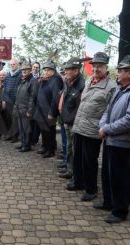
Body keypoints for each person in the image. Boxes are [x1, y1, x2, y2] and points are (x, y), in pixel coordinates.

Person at [69, 52, 116, 201]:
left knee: (90, 161)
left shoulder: (111, 87)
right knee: (77, 158)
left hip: (92, 130)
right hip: (79, 126)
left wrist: (104, 128)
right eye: (94, 66)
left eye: (99, 66)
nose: (96, 69)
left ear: (106, 68)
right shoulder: (90, 80)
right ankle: (78, 181)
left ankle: (91, 189)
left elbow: (110, 111)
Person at [98, 55, 130, 223]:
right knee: (108, 174)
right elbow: (107, 111)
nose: (117, 73)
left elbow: (128, 120)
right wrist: (103, 125)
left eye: (121, 70)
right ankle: (108, 202)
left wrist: (107, 129)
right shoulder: (119, 89)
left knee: (120, 177)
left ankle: (120, 211)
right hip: (110, 140)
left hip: (122, 143)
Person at [57, 58, 85, 179]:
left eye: (68, 69)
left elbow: (80, 107)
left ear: (76, 70)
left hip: (74, 122)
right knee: (69, 146)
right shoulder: (69, 82)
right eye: (66, 69)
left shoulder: (81, 85)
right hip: (66, 120)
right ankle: (69, 167)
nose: (66, 72)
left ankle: (73, 172)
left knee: (73, 148)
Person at [34, 60, 62, 158]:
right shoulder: (45, 80)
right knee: (44, 131)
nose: (46, 72)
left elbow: (56, 98)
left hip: (49, 111)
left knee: (50, 131)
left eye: (49, 70)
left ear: (53, 70)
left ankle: (51, 150)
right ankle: (45, 146)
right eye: (45, 70)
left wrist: (52, 112)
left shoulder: (56, 80)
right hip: (41, 111)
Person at [14, 60, 39, 152]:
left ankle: (27, 145)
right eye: (22, 70)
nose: (24, 71)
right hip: (20, 108)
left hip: (26, 110)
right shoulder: (22, 80)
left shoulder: (33, 81)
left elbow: (33, 97)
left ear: (30, 70)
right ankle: (23, 143)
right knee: (21, 128)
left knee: (27, 128)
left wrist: (30, 111)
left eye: (26, 70)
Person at [1, 58, 22, 142]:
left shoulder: (20, 75)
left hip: (16, 100)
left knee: (15, 119)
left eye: (14, 64)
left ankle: (15, 136)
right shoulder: (8, 75)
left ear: (17, 65)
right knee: (9, 119)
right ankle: (10, 134)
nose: (12, 66)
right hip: (8, 100)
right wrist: (4, 99)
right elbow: (5, 87)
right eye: (11, 64)